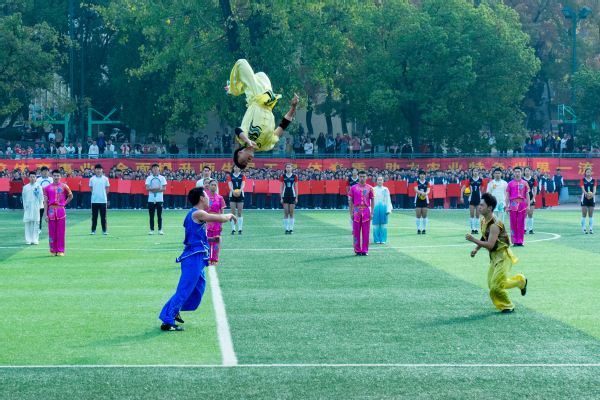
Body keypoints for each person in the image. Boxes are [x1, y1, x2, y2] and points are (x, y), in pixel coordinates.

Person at [158, 187, 237, 331]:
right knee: (184, 290)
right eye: (206, 196)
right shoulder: (198, 213)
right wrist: (230, 215)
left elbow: (194, 237)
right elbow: (220, 218)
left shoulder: (194, 215)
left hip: (197, 257)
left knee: (198, 289)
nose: (208, 199)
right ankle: (167, 321)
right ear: (201, 198)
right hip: (193, 258)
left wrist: (212, 239)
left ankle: (174, 310)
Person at [227, 59, 299, 169]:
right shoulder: (266, 146)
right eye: (246, 164)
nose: (247, 162)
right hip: (269, 100)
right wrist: (293, 108)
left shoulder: (243, 138)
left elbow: (238, 130)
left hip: (256, 96)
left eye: (243, 162)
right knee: (262, 75)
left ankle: (232, 89)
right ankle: (241, 87)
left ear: (240, 153)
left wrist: (247, 140)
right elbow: (282, 126)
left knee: (241, 63)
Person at [466, 193, 527, 312]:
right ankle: (520, 282)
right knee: (492, 284)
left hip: (503, 257)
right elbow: (485, 236)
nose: (479, 207)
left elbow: (490, 244)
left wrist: (473, 240)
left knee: (496, 286)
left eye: (482, 205)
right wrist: (476, 249)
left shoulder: (495, 224)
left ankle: (508, 305)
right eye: (479, 205)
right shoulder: (484, 220)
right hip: (494, 257)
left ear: (490, 208)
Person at [43, 169, 73, 256]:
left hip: (61, 211)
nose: (56, 177)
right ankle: (53, 250)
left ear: (60, 176)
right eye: (54, 175)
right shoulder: (47, 188)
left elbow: (71, 196)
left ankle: (60, 250)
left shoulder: (64, 186)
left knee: (61, 232)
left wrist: (64, 204)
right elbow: (45, 202)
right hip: (51, 211)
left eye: (57, 176)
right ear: (52, 176)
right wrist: (45, 214)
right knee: (51, 231)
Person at [348, 170, 374, 256]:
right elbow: (350, 201)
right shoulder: (353, 188)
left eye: (363, 176)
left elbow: (373, 200)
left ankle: (365, 250)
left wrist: (372, 212)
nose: (362, 178)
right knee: (356, 232)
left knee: (366, 232)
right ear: (358, 177)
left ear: (366, 177)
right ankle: (357, 250)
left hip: (366, 210)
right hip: (356, 211)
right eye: (360, 176)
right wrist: (351, 213)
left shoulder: (370, 188)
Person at [505, 166, 529, 247]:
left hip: (522, 204)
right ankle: (514, 241)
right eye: (516, 172)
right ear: (513, 173)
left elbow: (527, 194)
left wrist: (528, 205)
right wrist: (507, 206)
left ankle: (520, 241)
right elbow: (507, 196)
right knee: (513, 223)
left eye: (519, 172)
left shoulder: (525, 183)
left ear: (521, 173)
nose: (517, 173)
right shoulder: (510, 183)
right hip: (513, 204)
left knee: (521, 223)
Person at [206, 180, 226, 265]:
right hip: (207, 222)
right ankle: (207, 258)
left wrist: (221, 223)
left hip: (217, 222)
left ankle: (214, 259)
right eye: (212, 185)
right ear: (209, 185)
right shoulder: (205, 197)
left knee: (216, 241)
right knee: (207, 241)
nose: (213, 186)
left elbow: (222, 212)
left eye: (215, 185)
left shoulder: (220, 198)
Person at [145, 164, 167, 235]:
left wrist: (155, 190)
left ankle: (160, 229)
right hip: (151, 199)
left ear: (158, 169)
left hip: (159, 199)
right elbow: (147, 188)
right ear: (152, 169)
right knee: (151, 215)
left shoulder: (162, 178)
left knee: (159, 215)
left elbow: (164, 188)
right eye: (154, 168)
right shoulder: (149, 178)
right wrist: (156, 188)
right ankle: (151, 230)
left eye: (156, 168)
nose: (155, 169)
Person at [23, 171, 43, 245]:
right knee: (28, 223)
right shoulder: (25, 187)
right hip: (28, 208)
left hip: (36, 207)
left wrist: (39, 207)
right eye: (31, 177)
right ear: (29, 178)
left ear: (35, 178)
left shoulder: (38, 187)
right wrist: (25, 207)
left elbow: (41, 198)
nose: (32, 178)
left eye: (33, 177)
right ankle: (28, 239)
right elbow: (24, 198)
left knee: (35, 223)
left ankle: (35, 239)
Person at [461, 167, 483, 234]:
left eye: (476, 171)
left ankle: (476, 229)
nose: (475, 172)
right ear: (472, 172)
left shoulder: (481, 180)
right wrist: (461, 197)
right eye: (474, 171)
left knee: (478, 214)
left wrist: (483, 199)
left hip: (478, 199)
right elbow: (462, 188)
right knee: (472, 214)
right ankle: (472, 229)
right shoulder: (469, 180)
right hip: (471, 199)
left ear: (478, 172)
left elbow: (482, 191)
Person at [90, 164, 110, 235]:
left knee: (103, 216)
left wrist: (103, 195)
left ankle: (104, 230)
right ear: (95, 170)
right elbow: (91, 189)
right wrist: (95, 194)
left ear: (102, 170)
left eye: (100, 169)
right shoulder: (92, 179)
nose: (98, 170)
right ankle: (93, 230)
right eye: (97, 169)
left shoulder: (105, 179)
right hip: (94, 200)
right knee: (94, 216)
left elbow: (107, 189)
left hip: (103, 200)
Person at [373, 176, 392, 244]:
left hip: (384, 208)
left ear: (383, 181)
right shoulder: (373, 189)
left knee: (383, 224)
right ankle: (376, 239)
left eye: (381, 180)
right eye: (378, 180)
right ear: (376, 181)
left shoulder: (386, 189)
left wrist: (388, 209)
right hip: (375, 208)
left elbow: (388, 199)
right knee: (376, 224)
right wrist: (370, 210)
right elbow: (371, 200)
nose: (380, 181)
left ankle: (383, 239)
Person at [280, 163, 298, 234]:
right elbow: (281, 188)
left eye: (289, 167)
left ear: (291, 168)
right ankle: (286, 229)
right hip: (285, 195)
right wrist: (281, 198)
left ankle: (291, 229)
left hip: (292, 195)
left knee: (291, 212)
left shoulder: (295, 176)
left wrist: (296, 197)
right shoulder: (282, 176)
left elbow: (296, 188)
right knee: (286, 212)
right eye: (287, 167)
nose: (288, 168)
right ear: (285, 168)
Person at [227, 165, 245, 234]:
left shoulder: (242, 176)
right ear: (233, 168)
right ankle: (233, 229)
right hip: (232, 194)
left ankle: (240, 229)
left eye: (238, 167)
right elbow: (230, 186)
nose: (237, 168)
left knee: (239, 212)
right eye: (235, 167)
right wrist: (234, 191)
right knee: (233, 212)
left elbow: (243, 185)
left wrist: (239, 191)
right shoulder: (230, 176)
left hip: (240, 194)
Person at [35, 166, 52, 234]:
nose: (45, 172)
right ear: (41, 172)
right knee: (39, 215)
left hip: (50, 200)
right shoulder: (38, 180)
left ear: (48, 172)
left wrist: (43, 188)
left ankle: (51, 229)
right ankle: (39, 229)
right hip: (41, 200)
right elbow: (38, 188)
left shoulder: (51, 179)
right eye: (44, 171)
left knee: (51, 215)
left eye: (46, 171)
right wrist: (46, 188)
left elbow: (52, 188)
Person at [414, 170, 431, 234]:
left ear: (425, 175)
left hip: (425, 200)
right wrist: (422, 193)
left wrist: (425, 194)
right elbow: (416, 190)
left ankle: (424, 229)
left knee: (424, 215)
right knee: (418, 215)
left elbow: (428, 190)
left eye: (423, 174)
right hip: (418, 200)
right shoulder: (416, 182)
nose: (422, 175)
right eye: (421, 174)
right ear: (419, 175)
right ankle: (418, 229)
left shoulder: (427, 183)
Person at [580, 168, 596, 234]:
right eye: (587, 172)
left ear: (591, 173)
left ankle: (591, 229)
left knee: (590, 214)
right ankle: (583, 229)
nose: (589, 173)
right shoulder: (583, 180)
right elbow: (583, 189)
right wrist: (586, 194)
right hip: (585, 198)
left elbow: (594, 189)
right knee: (584, 214)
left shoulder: (594, 180)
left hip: (592, 198)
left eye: (590, 172)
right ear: (585, 173)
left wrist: (593, 194)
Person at [522, 167, 537, 234]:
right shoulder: (522, 180)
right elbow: (521, 190)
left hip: (531, 198)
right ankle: (524, 229)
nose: (527, 172)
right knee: (524, 214)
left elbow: (535, 190)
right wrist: (524, 199)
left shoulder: (533, 180)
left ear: (530, 171)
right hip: (523, 199)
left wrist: (532, 199)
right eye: (526, 171)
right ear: (524, 172)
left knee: (530, 213)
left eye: (528, 171)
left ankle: (530, 229)